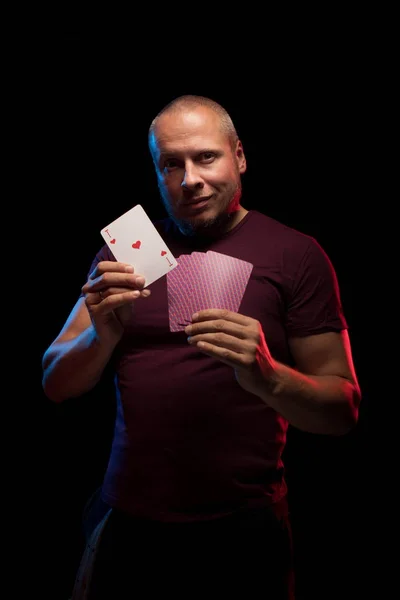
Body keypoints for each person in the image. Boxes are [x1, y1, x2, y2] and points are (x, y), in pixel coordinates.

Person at [42, 95, 361, 599]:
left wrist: (269, 376)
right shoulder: (126, 254)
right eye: (172, 164)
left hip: (244, 527)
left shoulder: (296, 254)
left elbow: (343, 408)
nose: (189, 178)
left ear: (239, 156)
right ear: (157, 172)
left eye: (205, 157)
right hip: (127, 520)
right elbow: (55, 383)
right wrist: (100, 338)